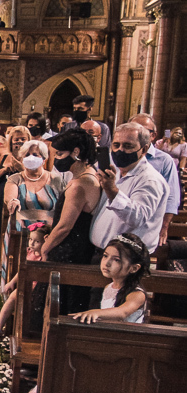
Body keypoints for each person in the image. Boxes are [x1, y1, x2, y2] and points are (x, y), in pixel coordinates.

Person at [36, 127, 101, 314]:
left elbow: (65, 226)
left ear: (76, 152)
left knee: (58, 301)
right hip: (75, 247)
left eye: (60, 154)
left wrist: (45, 247)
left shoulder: (80, 185)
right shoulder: (87, 175)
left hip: (69, 251)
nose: (56, 159)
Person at [89, 121, 168, 256]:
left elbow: (137, 217)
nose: (120, 150)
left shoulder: (149, 179)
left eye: (127, 146)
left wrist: (112, 190)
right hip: (106, 254)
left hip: (127, 258)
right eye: (116, 145)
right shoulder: (118, 172)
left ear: (144, 149)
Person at [0, 139, 63, 285]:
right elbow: (10, 196)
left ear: (44, 158)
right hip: (21, 229)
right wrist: (13, 201)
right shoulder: (15, 179)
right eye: (27, 154)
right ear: (21, 158)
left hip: (47, 234)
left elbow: (63, 205)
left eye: (35, 154)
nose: (31, 157)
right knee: (16, 268)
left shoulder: (55, 180)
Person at [71, 234, 149, 324]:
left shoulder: (137, 294)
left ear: (134, 268)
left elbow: (122, 312)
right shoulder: (109, 287)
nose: (107, 263)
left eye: (116, 260)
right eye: (105, 256)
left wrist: (95, 312)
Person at [130, 113, 182, 242]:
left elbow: (171, 197)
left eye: (143, 130)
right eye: (134, 129)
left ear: (153, 135)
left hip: (149, 223)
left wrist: (164, 227)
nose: (138, 134)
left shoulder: (164, 161)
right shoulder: (116, 155)